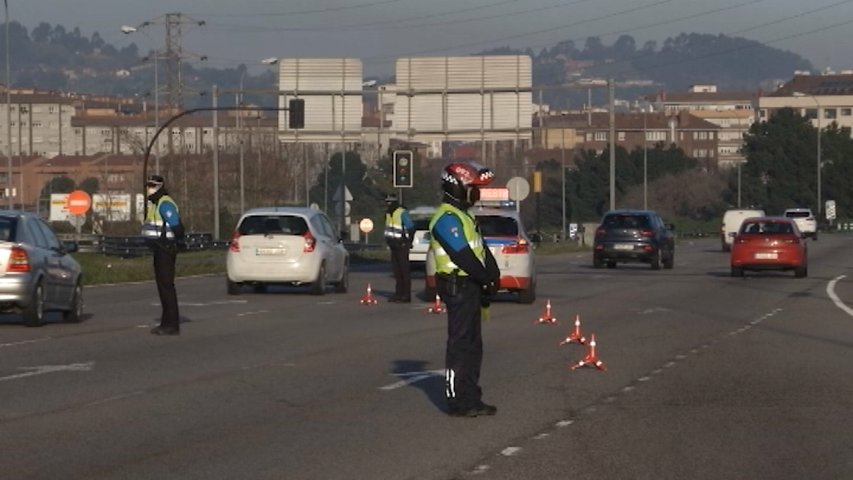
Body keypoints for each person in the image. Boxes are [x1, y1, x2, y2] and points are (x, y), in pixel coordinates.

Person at [428, 162, 500, 417]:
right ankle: (457, 401)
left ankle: (472, 397)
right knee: (459, 345)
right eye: (473, 188)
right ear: (457, 188)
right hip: (457, 286)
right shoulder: (446, 218)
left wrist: (493, 274)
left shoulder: (465, 215)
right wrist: (485, 279)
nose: (477, 193)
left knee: (473, 345)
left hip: (471, 286)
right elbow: (462, 256)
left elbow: (480, 249)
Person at [141, 174, 185, 336]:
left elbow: (176, 226)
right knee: (163, 287)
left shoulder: (165, 204)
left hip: (165, 249)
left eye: (152, 185)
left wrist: (176, 242)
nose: (149, 188)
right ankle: (166, 322)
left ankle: (172, 324)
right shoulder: (156, 203)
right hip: (159, 249)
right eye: (148, 185)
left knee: (166, 287)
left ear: (160, 187)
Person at [383, 193, 415, 303]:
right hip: (393, 245)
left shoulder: (402, 212)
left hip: (402, 245)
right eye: (386, 202)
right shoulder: (388, 214)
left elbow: (411, 228)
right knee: (397, 271)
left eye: (389, 202)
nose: (387, 204)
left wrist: (408, 242)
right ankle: (398, 294)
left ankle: (406, 295)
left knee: (404, 271)